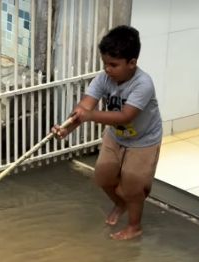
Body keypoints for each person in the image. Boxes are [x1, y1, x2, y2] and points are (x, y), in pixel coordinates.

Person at [52, 25, 162, 240]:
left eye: (114, 64)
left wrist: (89, 115)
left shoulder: (143, 84)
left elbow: (125, 116)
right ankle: (120, 203)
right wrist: (66, 128)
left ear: (132, 63)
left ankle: (134, 225)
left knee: (132, 186)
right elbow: (84, 106)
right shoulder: (104, 78)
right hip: (116, 136)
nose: (108, 69)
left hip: (143, 139)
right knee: (102, 177)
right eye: (105, 64)